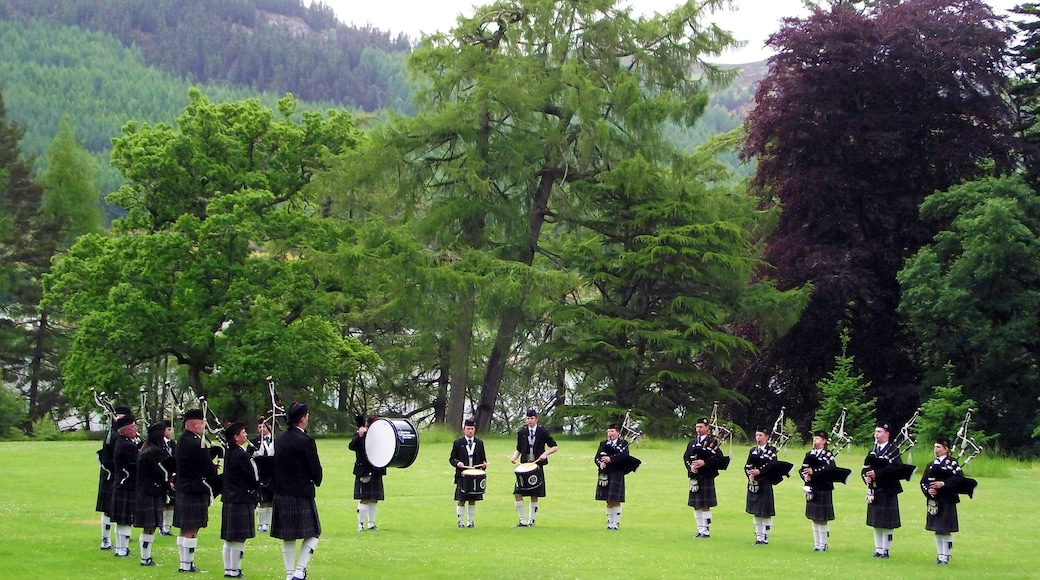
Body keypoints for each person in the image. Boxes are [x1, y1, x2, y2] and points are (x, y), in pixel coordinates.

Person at [271, 402, 323, 580]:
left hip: (281, 493)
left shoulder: (279, 438)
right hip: (301, 493)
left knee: (288, 536)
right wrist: (317, 480)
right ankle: (300, 571)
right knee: (313, 534)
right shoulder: (306, 441)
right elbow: (314, 469)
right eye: (307, 416)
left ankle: (288, 573)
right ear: (302, 419)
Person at [174, 408, 219, 573]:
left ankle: (183, 563)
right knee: (192, 528)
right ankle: (187, 564)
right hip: (194, 488)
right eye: (202, 423)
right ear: (194, 424)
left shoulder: (182, 440)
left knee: (185, 527)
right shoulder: (196, 443)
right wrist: (213, 464)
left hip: (183, 487)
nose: (203, 427)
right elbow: (207, 469)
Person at [920, 437, 976, 565]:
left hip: (947, 500)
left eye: (938, 447)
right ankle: (940, 556)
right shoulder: (930, 465)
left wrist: (943, 483)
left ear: (946, 449)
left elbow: (959, 480)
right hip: (934, 501)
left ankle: (946, 556)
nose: (935, 449)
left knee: (945, 530)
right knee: (937, 530)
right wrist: (928, 490)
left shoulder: (953, 464)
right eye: (934, 447)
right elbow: (923, 482)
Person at [862, 422, 912, 558]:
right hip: (874, 490)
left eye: (879, 432)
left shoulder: (893, 450)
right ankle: (878, 549)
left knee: (887, 524)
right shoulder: (872, 450)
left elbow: (897, 469)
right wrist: (866, 477)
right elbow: (865, 468)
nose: (876, 434)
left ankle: (886, 550)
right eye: (876, 432)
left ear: (887, 434)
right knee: (876, 523)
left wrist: (877, 474)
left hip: (888, 490)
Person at [799, 430, 851, 552]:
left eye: (817, 439)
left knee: (822, 518)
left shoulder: (828, 456)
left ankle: (823, 544)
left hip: (824, 488)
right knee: (814, 517)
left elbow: (831, 469)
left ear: (824, 441)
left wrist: (814, 472)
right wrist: (805, 476)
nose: (814, 440)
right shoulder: (809, 454)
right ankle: (817, 544)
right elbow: (803, 469)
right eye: (814, 438)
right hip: (812, 488)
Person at [221, 421, 259, 578]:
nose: (245, 434)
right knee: (239, 537)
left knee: (230, 538)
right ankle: (235, 570)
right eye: (243, 432)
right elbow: (252, 476)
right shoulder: (241, 455)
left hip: (230, 498)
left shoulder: (229, 452)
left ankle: (228, 569)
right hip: (241, 498)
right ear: (235, 437)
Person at [509, 408, 558, 527]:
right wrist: (514, 457)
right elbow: (519, 448)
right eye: (528, 418)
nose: (529, 421)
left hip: (537, 466)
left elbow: (554, 447)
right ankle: (522, 520)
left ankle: (532, 520)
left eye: (531, 418)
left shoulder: (542, 432)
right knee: (517, 492)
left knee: (534, 493)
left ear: (536, 419)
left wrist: (545, 454)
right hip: (524, 466)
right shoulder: (522, 432)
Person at [743, 428, 792, 545]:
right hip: (754, 483)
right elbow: (747, 465)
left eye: (760, 435)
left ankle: (765, 537)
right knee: (756, 511)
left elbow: (773, 465)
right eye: (756, 435)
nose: (758, 438)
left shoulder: (772, 450)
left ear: (767, 437)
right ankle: (758, 536)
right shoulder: (753, 450)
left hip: (765, 482)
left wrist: (759, 472)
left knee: (765, 512)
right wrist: (750, 474)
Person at [683, 416, 729, 538]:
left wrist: (705, 463)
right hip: (695, 476)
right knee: (695, 505)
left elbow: (719, 459)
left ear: (707, 428)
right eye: (697, 427)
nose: (698, 429)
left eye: (701, 427)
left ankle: (706, 530)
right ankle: (699, 529)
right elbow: (686, 458)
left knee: (705, 505)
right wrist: (690, 468)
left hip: (707, 476)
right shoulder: (692, 443)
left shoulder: (713, 442)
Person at [135, 423, 173, 567]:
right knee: (149, 526)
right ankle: (145, 558)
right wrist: (169, 481)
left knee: (150, 527)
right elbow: (161, 472)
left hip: (147, 492)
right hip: (150, 493)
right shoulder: (153, 452)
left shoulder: (147, 450)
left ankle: (146, 557)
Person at [96, 405, 132, 551]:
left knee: (115, 510)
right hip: (113, 474)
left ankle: (119, 540)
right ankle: (105, 539)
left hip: (118, 474)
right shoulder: (113, 434)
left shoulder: (118, 434)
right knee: (108, 509)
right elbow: (105, 457)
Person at [348, 413, 385, 531]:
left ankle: (371, 523)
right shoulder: (361, 435)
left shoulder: (381, 436)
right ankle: (361, 524)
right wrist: (360, 435)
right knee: (365, 498)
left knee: (374, 498)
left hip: (376, 469)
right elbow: (352, 446)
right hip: (364, 469)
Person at [449, 418, 488, 528]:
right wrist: (458, 463)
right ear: (464, 429)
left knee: (472, 499)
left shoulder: (479, 443)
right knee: (461, 499)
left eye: (472, 429)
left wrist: (483, 466)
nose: (470, 431)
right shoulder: (458, 443)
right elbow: (452, 459)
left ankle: (470, 521)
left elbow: (483, 460)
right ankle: (461, 521)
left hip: (475, 476)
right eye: (468, 429)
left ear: (475, 429)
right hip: (462, 476)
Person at [111, 414, 139, 558]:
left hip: (121, 484)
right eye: (133, 427)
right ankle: (123, 549)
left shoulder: (123, 442)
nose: (135, 429)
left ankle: (120, 548)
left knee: (122, 521)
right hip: (126, 485)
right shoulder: (127, 445)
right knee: (126, 520)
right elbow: (133, 465)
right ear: (125, 429)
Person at [594, 423, 632, 530]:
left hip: (617, 474)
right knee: (608, 499)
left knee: (615, 498)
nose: (610, 433)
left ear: (618, 433)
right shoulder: (603, 443)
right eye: (608, 431)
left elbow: (625, 458)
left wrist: (611, 460)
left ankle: (616, 523)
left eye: (612, 431)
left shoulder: (623, 444)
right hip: (604, 474)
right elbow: (596, 457)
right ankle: (610, 522)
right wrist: (600, 463)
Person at [251, 417, 275, 533]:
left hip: (273, 473)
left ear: (269, 428)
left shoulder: (275, 440)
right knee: (262, 500)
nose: (261, 429)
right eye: (259, 427)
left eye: (264, 427)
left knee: (270, 499)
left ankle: (268, 523)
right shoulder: (254, 442)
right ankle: (261, 524)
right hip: (260, 473)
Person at [161, 419, 177, 536]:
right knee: (163, 503)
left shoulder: (173, 444)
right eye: (168, 429)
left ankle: (167, 528)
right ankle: (161, 526)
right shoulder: (159, 444)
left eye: (172, 429)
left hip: (173, 475)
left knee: (172, 503)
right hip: (162, 475)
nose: (171, 432)